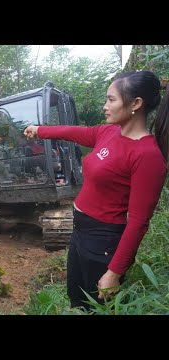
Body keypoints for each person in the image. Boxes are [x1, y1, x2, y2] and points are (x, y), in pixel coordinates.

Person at [24, 70, 168, 310]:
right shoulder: (109, 132)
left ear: (136, 104)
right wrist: (40, 130)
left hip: (104, 242)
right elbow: (75, 132)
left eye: (111, 99)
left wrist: (114, 272)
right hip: (81, 230)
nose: (105, 106)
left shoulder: (147, 156)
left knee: (97, 307)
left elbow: (138, 222)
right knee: (77, 300)